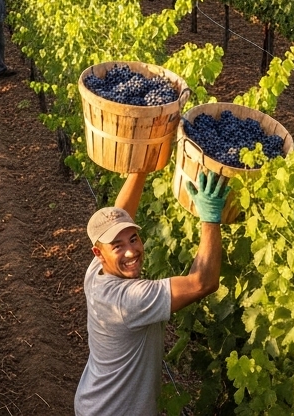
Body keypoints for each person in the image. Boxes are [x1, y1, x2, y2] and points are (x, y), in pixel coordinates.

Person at [74, 169, 230, 416]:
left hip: (93, 402)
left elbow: (121, 213)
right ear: (99, 253)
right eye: (118, 246)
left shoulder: (97, 272)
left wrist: (140, 170)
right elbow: (203, 283)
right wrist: (210, 217)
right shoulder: (130, 300)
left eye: (133, 239)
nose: (130, 251)